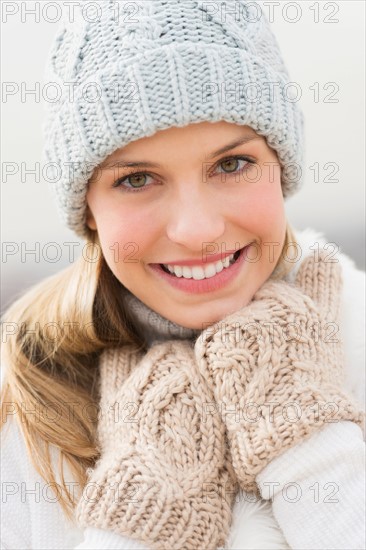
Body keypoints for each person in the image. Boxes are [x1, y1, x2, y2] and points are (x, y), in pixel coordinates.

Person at [1, 1, 365, 549]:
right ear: (90, 214)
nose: (197, 231)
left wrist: (307, 441)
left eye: (232, 164)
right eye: (137, 179)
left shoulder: (356, 332)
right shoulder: (28, 407)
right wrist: (145, 515)